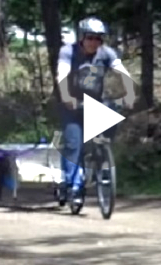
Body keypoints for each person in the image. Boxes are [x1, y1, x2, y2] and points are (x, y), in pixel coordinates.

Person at [55, 17, 136, 205]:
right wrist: (66, 96)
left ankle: (102, 156)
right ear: (82, 37)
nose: (94, 42)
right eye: (90, 38)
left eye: (99, 39)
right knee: (74, 144)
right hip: (72, 104)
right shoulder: (68, 51)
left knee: (110, 119)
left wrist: (130, 94)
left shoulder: (106, 53)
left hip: (94, 102)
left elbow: (123, 73)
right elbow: (62, 73)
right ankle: (72, 184)